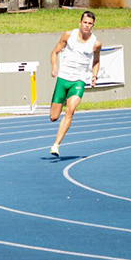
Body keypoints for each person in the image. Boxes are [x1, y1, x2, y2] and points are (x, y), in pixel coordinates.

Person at [48, 11, 101, 156]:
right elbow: (54, 52)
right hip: (63, 78)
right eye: (85, 22)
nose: (87, 26)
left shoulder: (95, 43)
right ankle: (63, 100)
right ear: (80, 23)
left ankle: (56, 145)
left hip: (79, 80)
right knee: (53, 117)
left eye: (90, 24)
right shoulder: (68, 35)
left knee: (70, 110)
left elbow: (96, 61)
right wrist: (54, 66)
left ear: (93, 25)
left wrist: (94, 76)